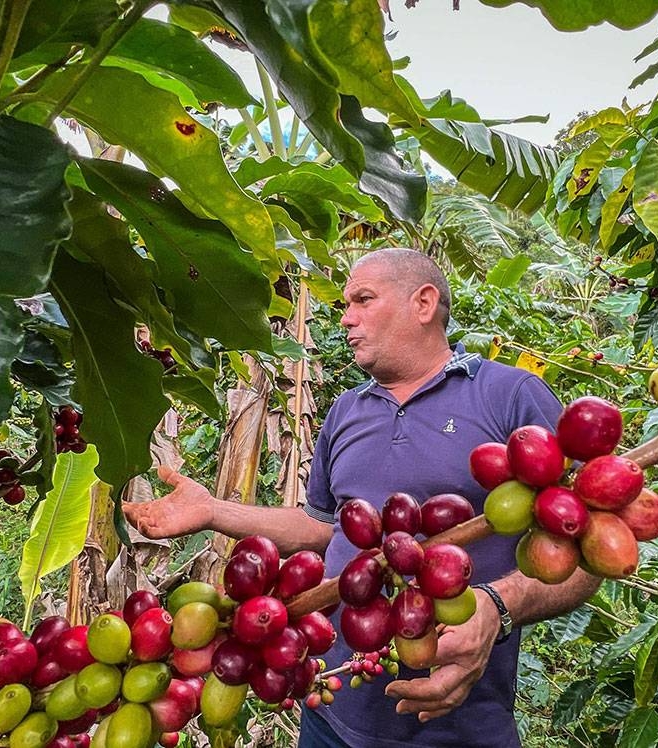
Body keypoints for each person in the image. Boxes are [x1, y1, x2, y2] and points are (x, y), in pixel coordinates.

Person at [124, 248, 601, 748]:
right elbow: (323, 529)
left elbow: (586, 549)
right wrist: (214, 512)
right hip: (332, 715)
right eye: (346, 305)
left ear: (423, 302)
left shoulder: (510, 396)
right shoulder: (345, 412)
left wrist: (498, 605)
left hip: (459, 727)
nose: (347, 317)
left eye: (363, 300)